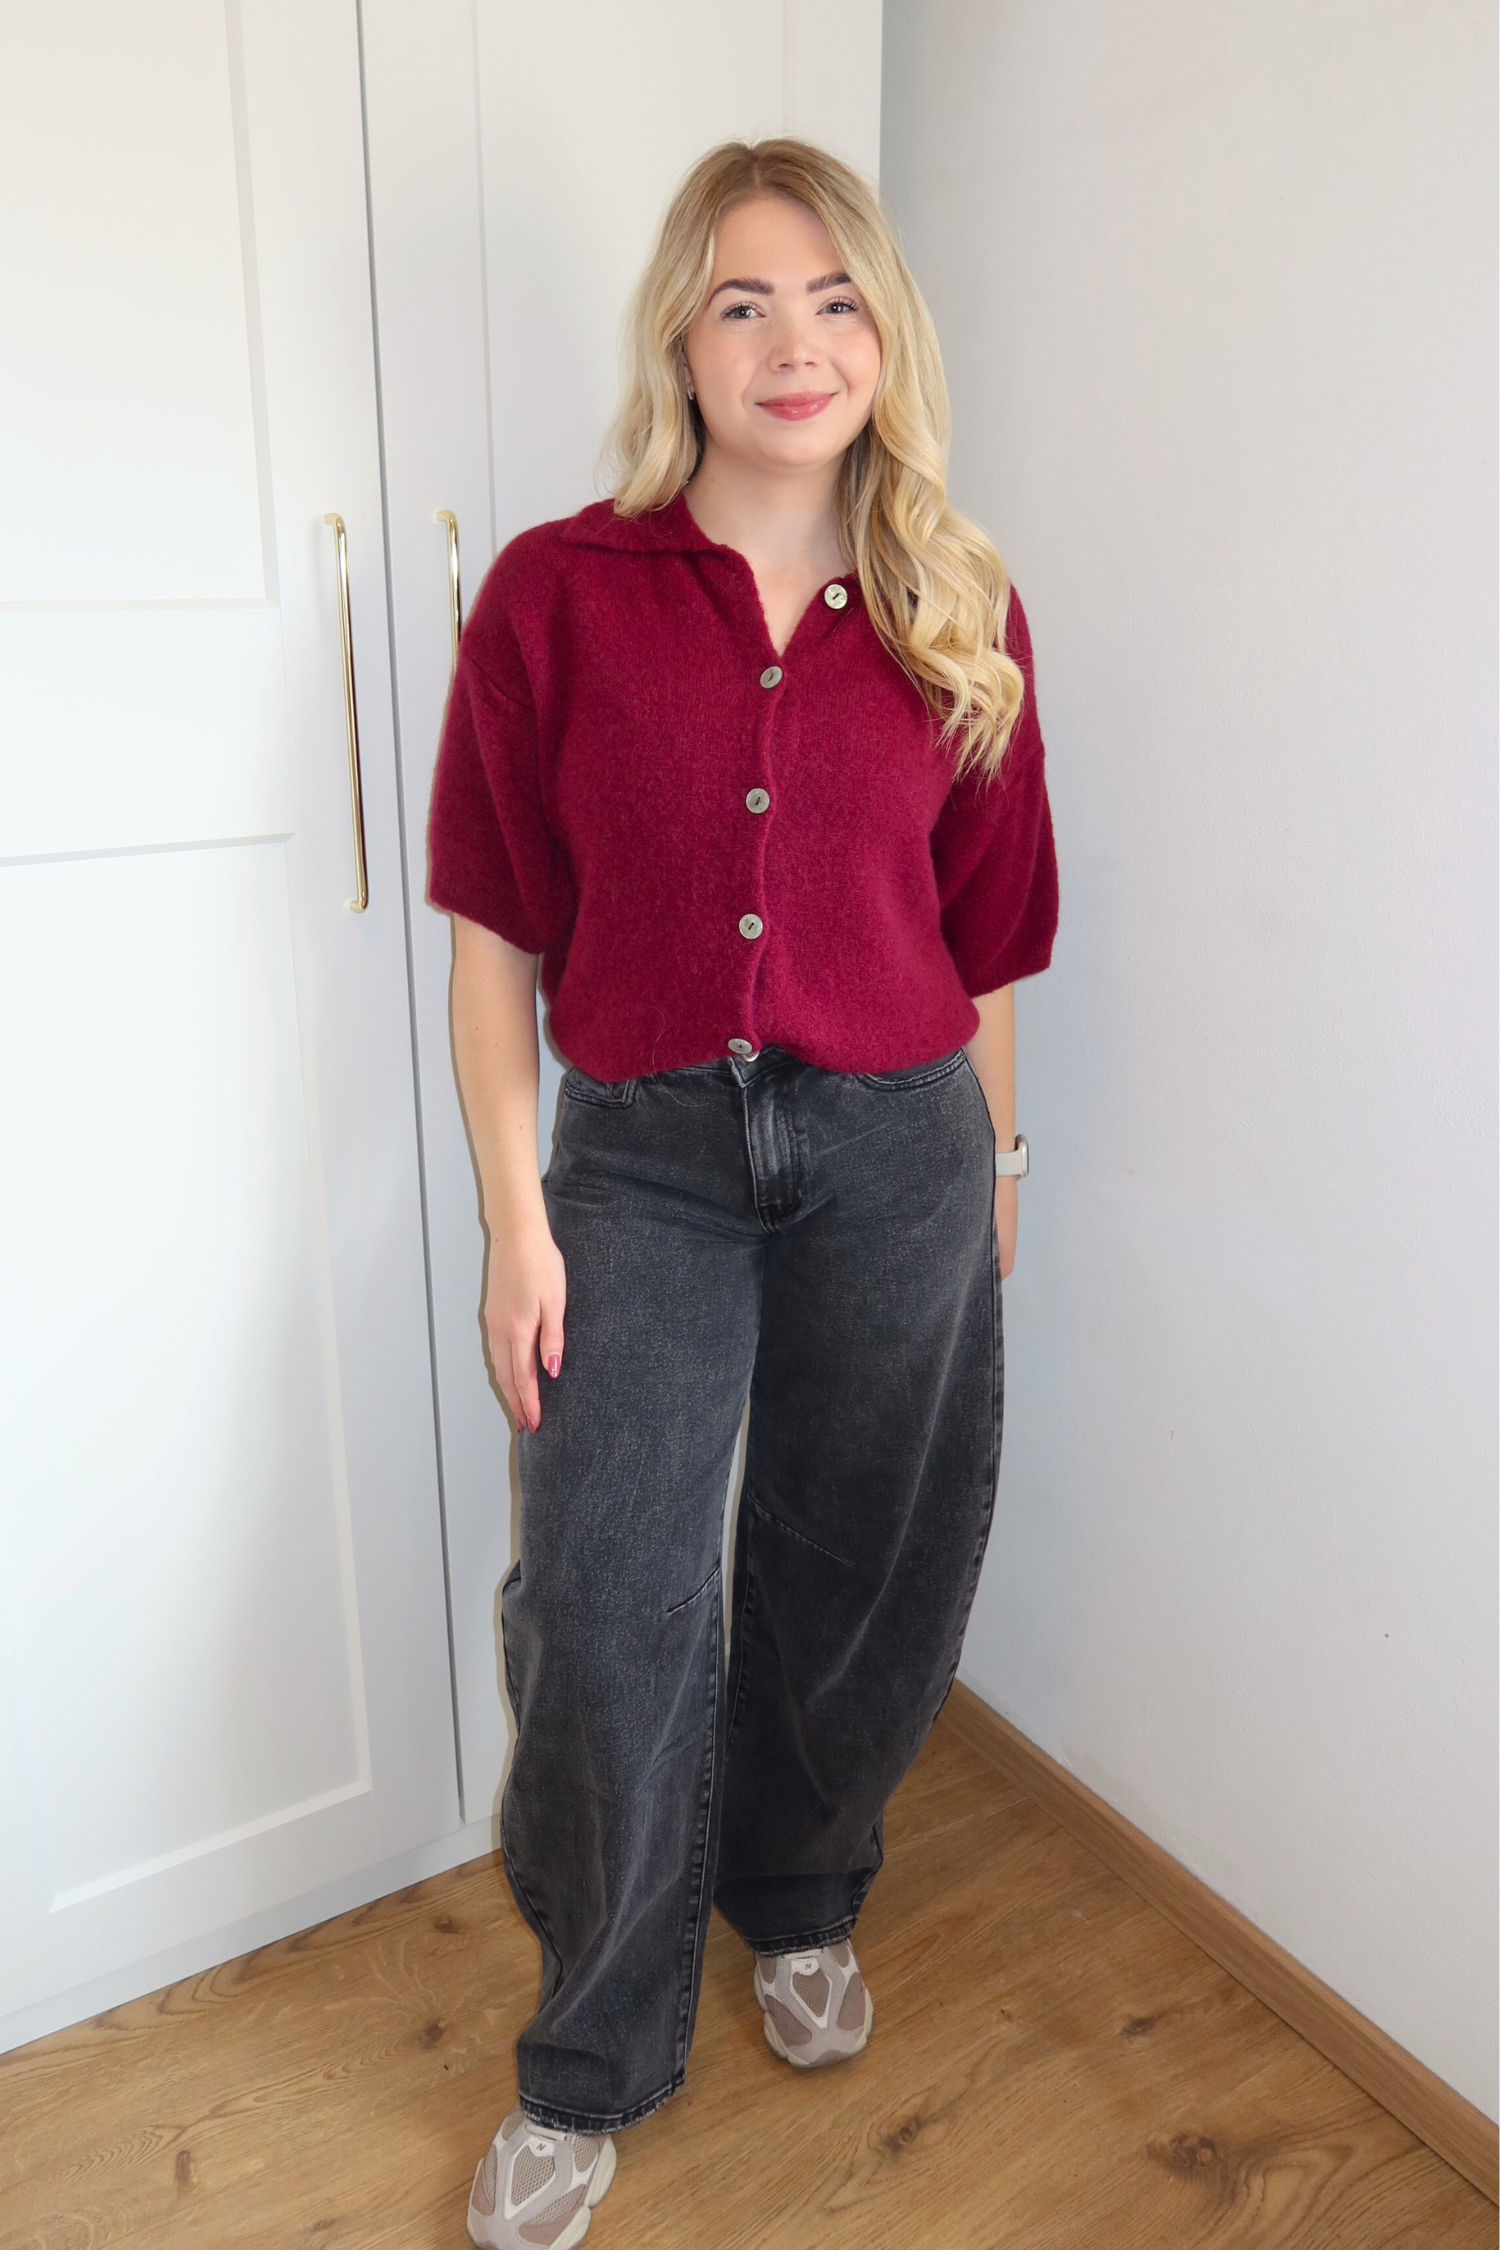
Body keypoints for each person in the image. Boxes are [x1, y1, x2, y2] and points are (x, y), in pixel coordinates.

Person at [427, 136, 1058, 2250]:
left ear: (888, 334)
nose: (798, 344)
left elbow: (985, 945)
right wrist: (518, 1218)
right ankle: (591, 2053)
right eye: (744, 302)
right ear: (681, 346)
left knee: (857, 1561)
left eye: (837, 299)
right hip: (646, 1161)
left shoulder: (960, 604)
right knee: (607, 1598)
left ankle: (798, 1892)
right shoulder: (555, 595)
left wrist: (1000, 1160)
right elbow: (497, 944)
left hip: (901, 1147)